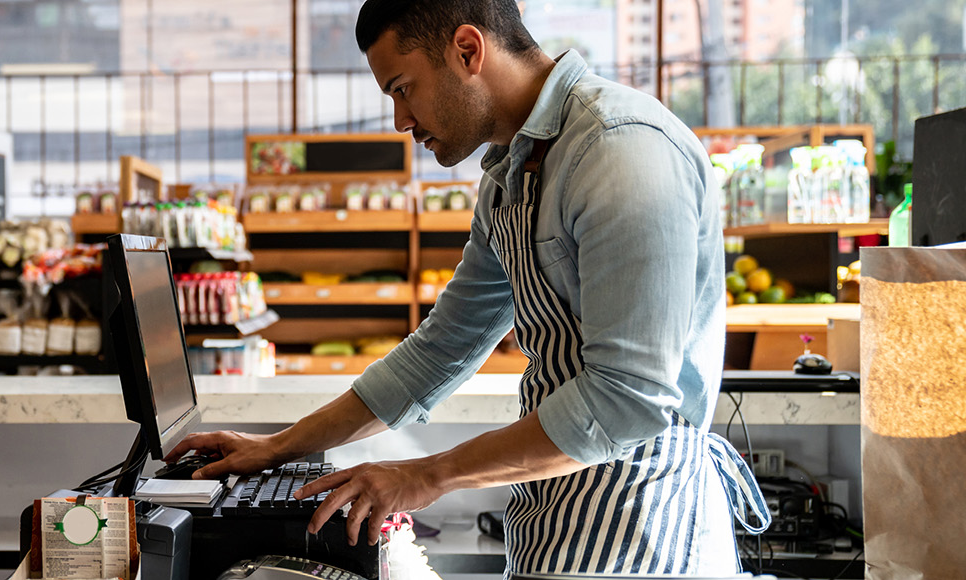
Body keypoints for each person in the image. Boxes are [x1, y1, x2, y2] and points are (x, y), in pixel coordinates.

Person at [167, 0, 771, 576]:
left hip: (644, 534)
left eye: (403, 89)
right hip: (554, 516)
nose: (402, 120)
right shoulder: (510, 175)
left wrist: (427, 475)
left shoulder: (619, 149)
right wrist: (279, 447)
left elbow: (628, 397)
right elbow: (442, 348)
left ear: (466, 49)